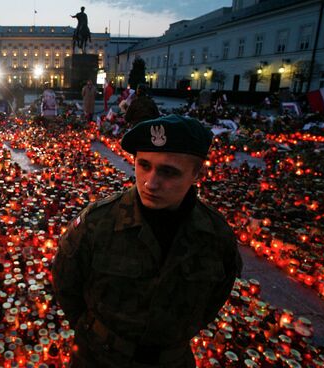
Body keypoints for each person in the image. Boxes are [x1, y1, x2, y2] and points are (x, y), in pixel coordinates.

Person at [52, 114, 242, 368]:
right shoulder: (99, 222)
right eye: (144, 165)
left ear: (197, 173)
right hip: (98, 357)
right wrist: (97, 333)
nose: (150, 183)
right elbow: (66, 283)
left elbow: (213, 300)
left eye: (168, 172)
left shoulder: (215, 236)